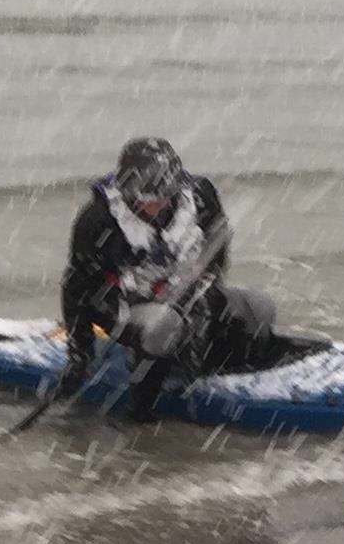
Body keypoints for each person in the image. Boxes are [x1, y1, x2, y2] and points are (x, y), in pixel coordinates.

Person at [57, 135, 291, 418]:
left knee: (259, 309)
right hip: (122, 306)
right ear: (127, 190)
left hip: (185, 295)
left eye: (164, 197)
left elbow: (216, 255)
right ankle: (141, 414)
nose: (157, 206)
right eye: (147, 199)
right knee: (163, 327)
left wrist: (199, 299)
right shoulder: (96, 220)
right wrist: (79, 355)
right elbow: (77, 289)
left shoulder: (201, 196)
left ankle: (210, 365)